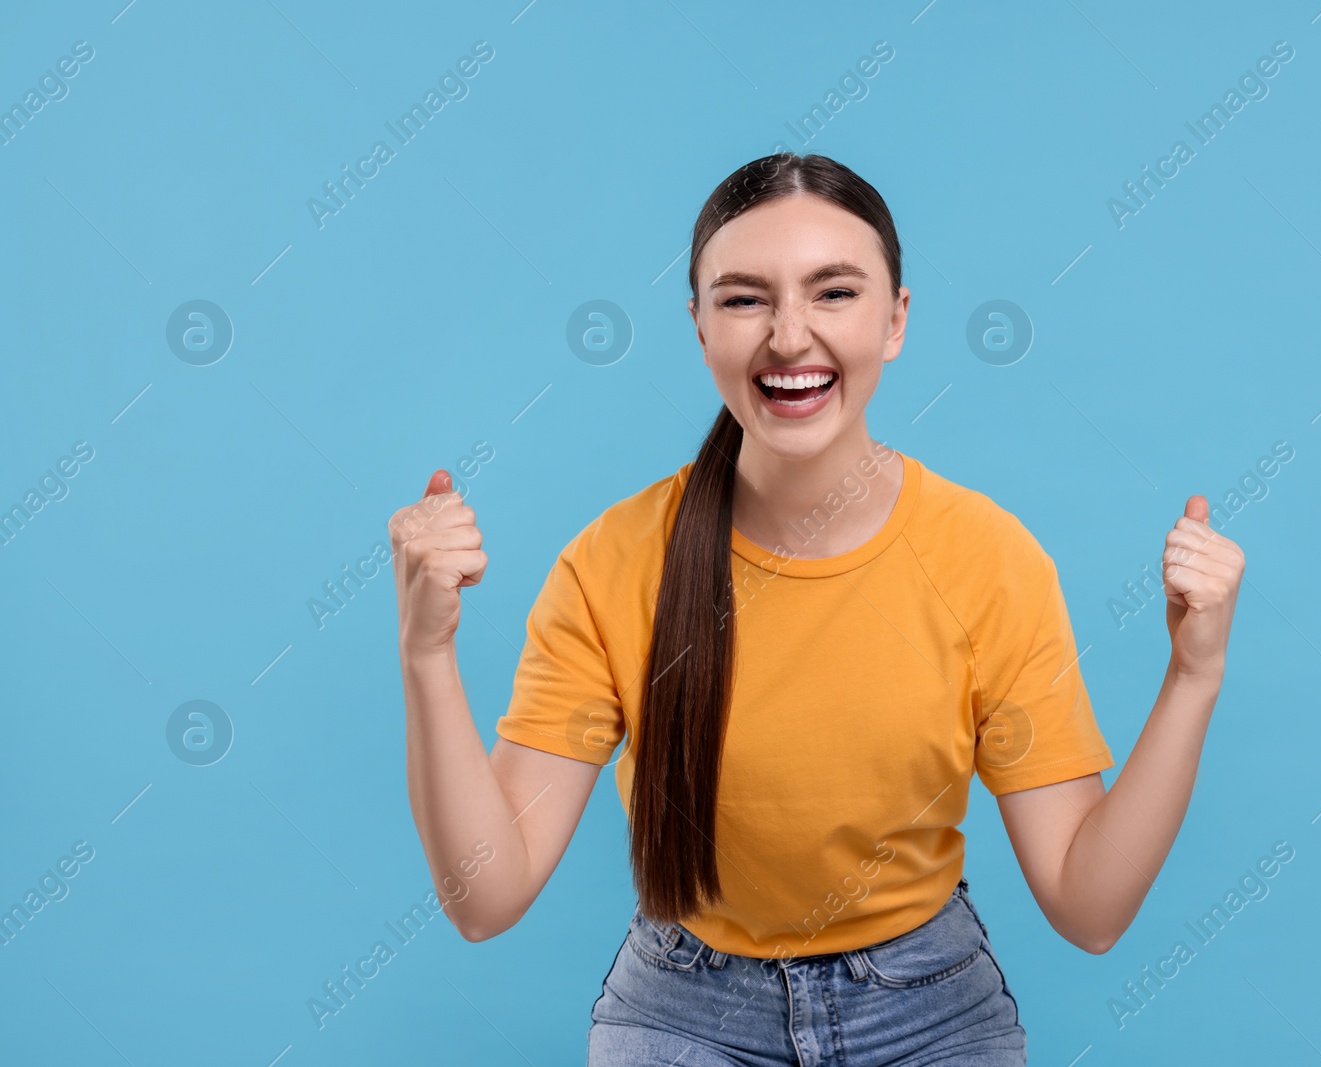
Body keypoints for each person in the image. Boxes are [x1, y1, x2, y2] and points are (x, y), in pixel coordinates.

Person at [388, 153, 1245, 1064]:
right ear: (699, 327)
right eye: (744, 298)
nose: (789, 336)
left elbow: (1089, 905)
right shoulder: (612, 564)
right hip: (683, 1010)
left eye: (834, 292)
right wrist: (427, 658)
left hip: (928, 1011)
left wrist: (1195, 676)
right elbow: (485, 899)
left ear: (896, 320)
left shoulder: (988, 560)